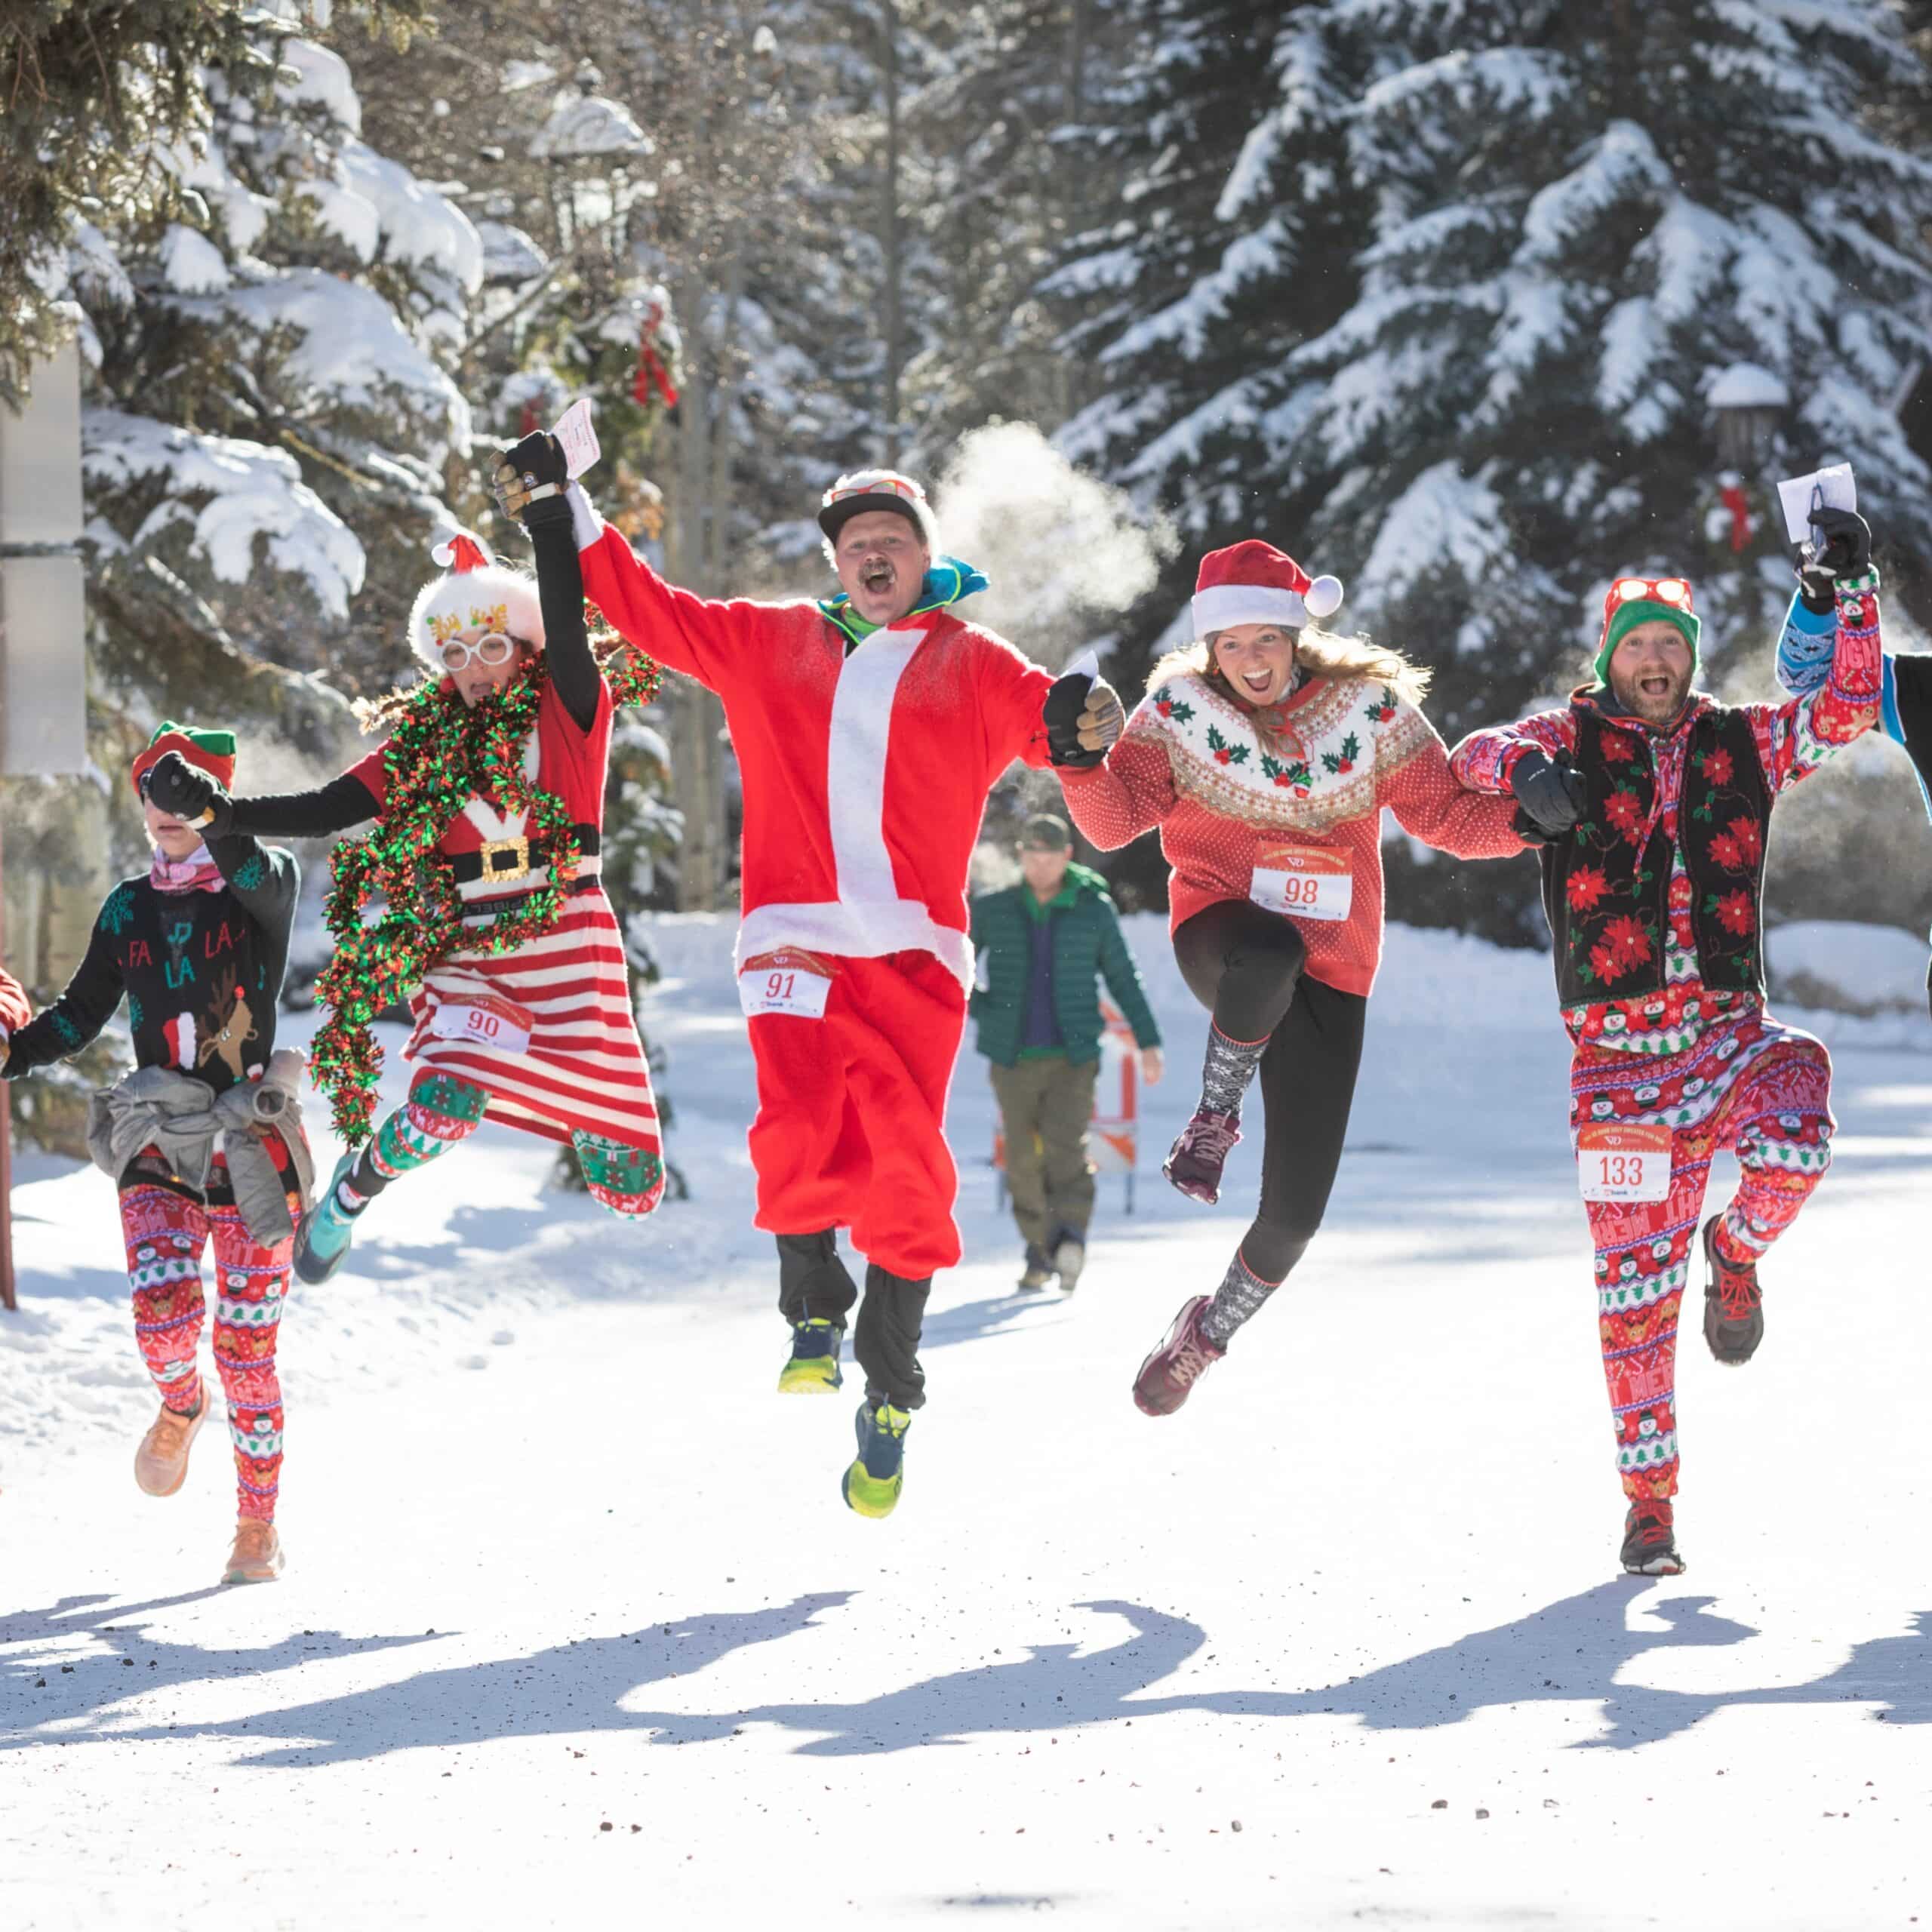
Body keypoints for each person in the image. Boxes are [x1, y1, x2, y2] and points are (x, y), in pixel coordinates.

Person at [492, 434, 1120, 1518]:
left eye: (894, 541)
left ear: (925, 557)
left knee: (904, 1160)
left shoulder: (972, 658)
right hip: (788, 934)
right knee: (796, 1123)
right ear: (836, 563)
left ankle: (891, 1390)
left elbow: (1049, 730)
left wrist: (1077, 722)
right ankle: (812, 1306)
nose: (874, 556)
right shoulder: (770, 641)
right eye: (856, 543)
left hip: (915, 951)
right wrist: (570, 503)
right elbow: (650, 612)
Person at [1449, 509, 1881, 1577]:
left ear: (1690, 658)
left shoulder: (1739, 740)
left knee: (1799, 1118)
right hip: (1620, 1069)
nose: (1655, 660)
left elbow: (1848, 709)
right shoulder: (1567, 739)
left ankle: (1733, 1254)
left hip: (1730, 1037)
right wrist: (1523, 780)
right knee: (1633, 1302)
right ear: (1610, 657)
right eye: (1636, 644)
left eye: (1670, 645)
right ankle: (1650, 1506)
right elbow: (1469, 758)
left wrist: (1850, 594)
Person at [1060, 540, 1525, 1417]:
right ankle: (1212, 1118)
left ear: (1293, 636)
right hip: (1225, 930)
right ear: (1207, 649)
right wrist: (1075, 762)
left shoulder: (1368, 713)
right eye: (1227, 646)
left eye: (1262, 642)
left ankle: (1203, 1334)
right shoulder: (1178, 712)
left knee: (1294, 1217)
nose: (1247, 663)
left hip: (1334, 968)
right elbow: (1116, 819)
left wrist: (1528, 823)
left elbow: (1451, 816)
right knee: (1266, 956)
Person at [144, 514, 668, 1288]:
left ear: (525, 649)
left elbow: (563, 615)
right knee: (443, 1105)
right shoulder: (423, 746)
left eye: (492, 647)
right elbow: (326, 806)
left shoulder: (568, 710)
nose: (475, 669)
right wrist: (219, 811)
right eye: (455, 655)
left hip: (566, 941)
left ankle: (582, 1108)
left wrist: (552, 514)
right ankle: (353, 1193)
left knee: (634, 1191)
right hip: (473, 951)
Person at [2, 724, 309, 1584]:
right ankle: (181, 1400)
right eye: (155, 792)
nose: (168, 809)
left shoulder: (264, 884)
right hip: (157, 1141)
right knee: (162, 1322)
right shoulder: (127, 909)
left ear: (216, 801)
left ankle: (257, 1526)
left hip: (250, 1145)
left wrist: (209, 806)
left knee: (247, 1350)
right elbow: (76, 1014)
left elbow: (247, 862)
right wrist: (12, 1052)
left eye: (189, 792)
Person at [969, 811, 1163, 1291]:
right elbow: (957, 963)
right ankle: (1038, 1248)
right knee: (1020, 1156)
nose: (1040, 864)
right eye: (1032, 854)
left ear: (1066, 856)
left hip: (1073, 1056)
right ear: (1021, 856)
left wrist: (1149, 1041)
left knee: (1066, 1150)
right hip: (1011, 1056)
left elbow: (1122, 976)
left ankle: (1070, 1237)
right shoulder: (995, 908)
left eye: (1049, 855)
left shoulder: (1092, 909)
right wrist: (983, 1008)